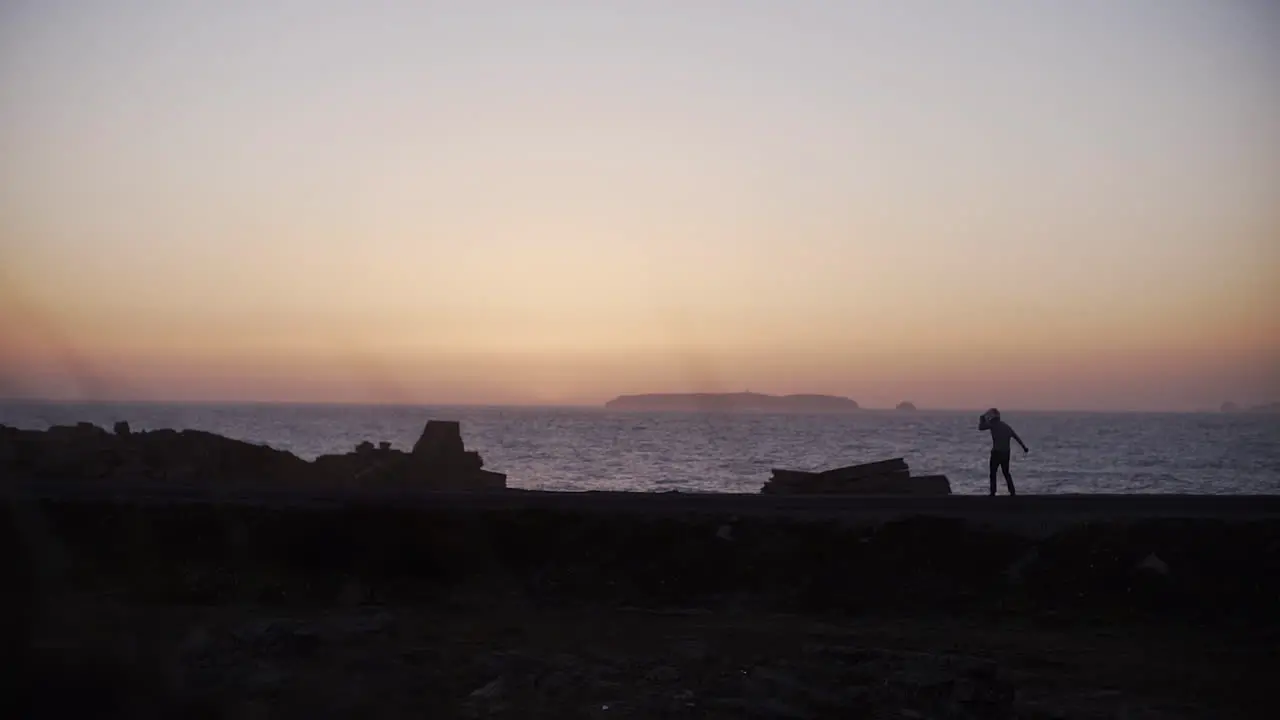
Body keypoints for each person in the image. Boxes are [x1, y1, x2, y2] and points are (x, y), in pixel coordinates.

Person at [978, 408, 1028, 495]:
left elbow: (981, 427)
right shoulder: (1006, 426)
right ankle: (1012, 492)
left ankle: (993, 492)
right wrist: (1024, 447)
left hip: (996, 453)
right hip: (1006, 453)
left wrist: (982, 419)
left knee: (993, 473)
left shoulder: (993, 425)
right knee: (1006, 473)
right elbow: (1016, 437)